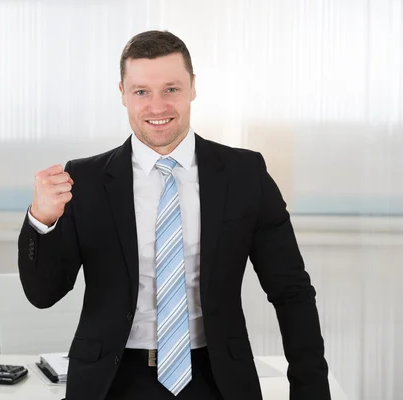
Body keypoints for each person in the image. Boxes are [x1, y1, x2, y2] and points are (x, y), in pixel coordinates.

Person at [17, 30, 330, 400]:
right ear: (122, 94)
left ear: (193, 87)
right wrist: (42, 219)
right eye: (141, 92)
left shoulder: (245, 175)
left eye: (171, 89)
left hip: (216, 379)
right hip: (111, 381)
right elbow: (43, 294)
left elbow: (291, 291)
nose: (157, 106)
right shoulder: (85, 180)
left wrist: (310, 391)